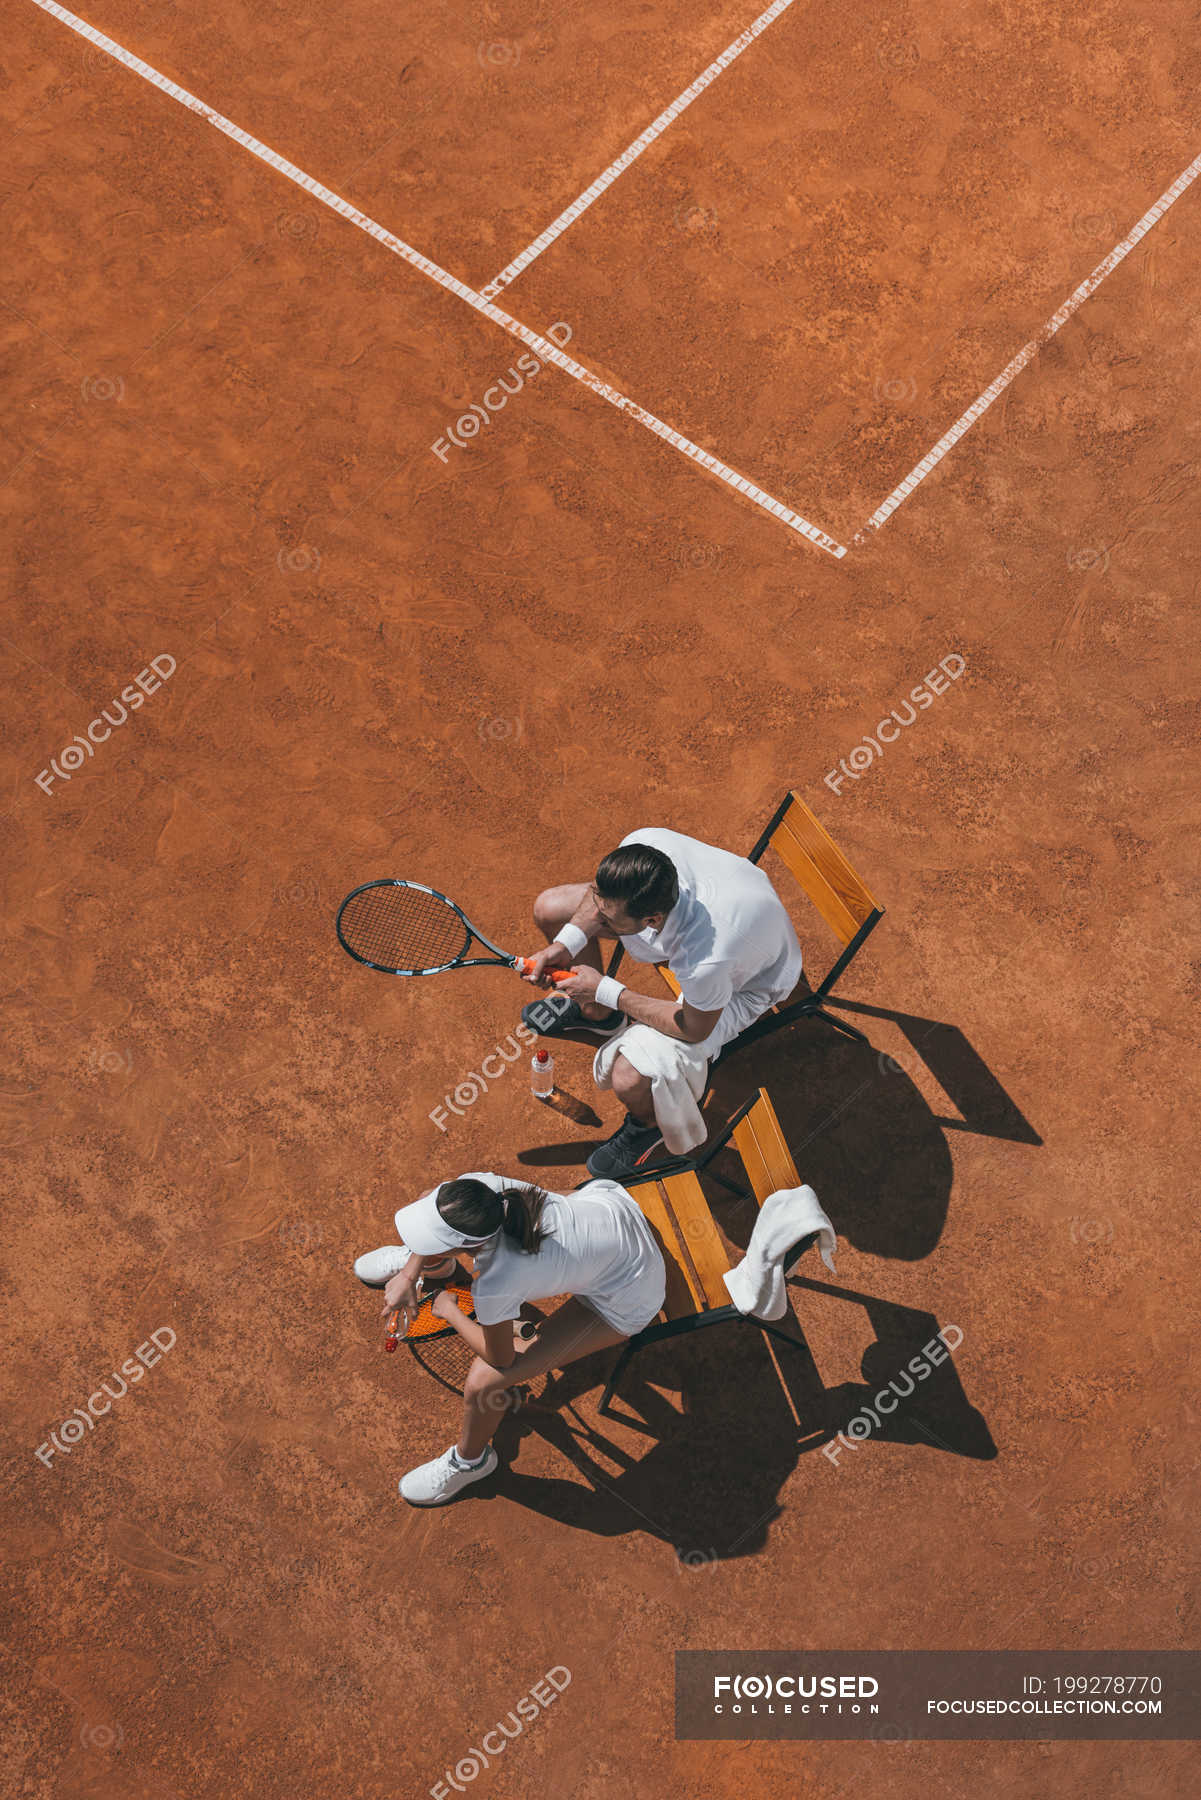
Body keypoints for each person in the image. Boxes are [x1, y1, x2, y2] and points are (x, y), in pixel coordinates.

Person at [354, 1171, 666, 1504]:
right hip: (615, 1213)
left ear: (465, 1248)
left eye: (433, 1244)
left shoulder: (499, 1280)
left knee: (484, 1381)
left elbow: (501, 1359)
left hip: (627, 1295)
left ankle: (471, 1462)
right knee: (432, 1194)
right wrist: (409, 1272)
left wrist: (450, 1311)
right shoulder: (485, 1191)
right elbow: (439, 1205)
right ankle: (436, 1267)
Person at [519, 828, 803, 1179]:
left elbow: (694, 1027)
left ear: (650, 921)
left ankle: (650, 1126)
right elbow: (598, 900)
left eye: (608, 922)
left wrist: (606, 990)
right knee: (552, 909)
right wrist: (565, 944)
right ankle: (598, 1017)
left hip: (747, 984)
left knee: (628, 1076)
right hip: (731, 928)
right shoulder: (644, 848)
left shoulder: (705, 961)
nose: (599, 920)